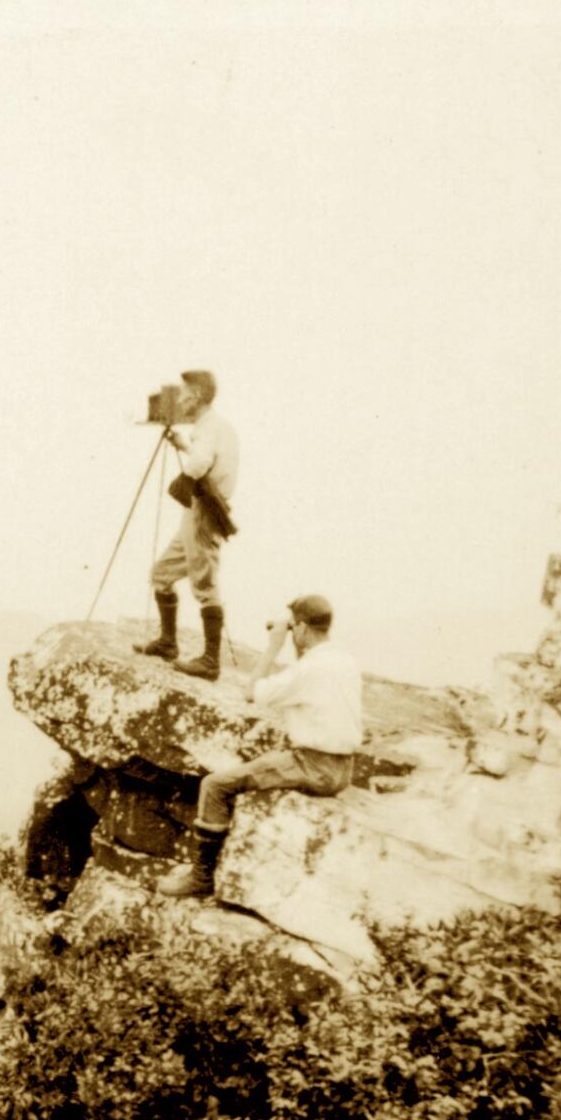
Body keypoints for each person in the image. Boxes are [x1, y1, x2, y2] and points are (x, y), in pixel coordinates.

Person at [156, 593, 363, 899]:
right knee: (262, 759)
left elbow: (251, 692)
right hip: (343, 768)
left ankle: (201, 877)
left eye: (295, 628)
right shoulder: (344, 660)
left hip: (314, 766)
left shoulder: (309, 669)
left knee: (215, 785)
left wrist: (274, 645)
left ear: (303, 628)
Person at [132, 369, 239, 680]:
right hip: (199, 509)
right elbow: (203, 457)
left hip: (204, 512)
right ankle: (167, 643)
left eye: (183, 394)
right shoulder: (216, 427)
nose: (179, 400)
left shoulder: (209, 428)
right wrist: (183, 445)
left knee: (205, 584)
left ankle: (209, 661)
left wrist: (184, 472)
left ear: (198, 396)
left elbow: (200, 463)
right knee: (162, 573)